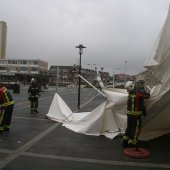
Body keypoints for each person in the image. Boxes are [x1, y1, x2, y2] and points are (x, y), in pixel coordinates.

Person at [122, 81, 150, 148]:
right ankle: (132, 143)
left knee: (129, 128)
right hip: (136, 115)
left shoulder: (130, 94)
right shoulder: (139, 93)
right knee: (135, 129)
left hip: (129, 115)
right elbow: (147, 96)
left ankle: (124, 143)